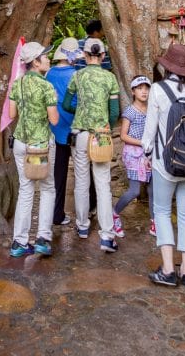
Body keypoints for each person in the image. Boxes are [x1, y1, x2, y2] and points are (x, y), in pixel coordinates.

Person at [141, 43, 185, 287]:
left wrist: (145, 153)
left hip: (165, 163)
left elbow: (149, 131)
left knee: (161, 211)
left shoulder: (158, 91)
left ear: (167, 67)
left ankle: (169, 270)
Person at [63, 38, 120, 252]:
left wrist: (79, 113)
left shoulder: (77, 76)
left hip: (80, 135)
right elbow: (114, 112)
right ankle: (107, 235)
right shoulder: (110, 78)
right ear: (103, 56)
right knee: (103, 184)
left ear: (85, 56)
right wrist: (106, 125)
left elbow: (68, 104)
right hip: (102, 135)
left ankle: (83, 226)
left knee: (81, 181)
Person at [8, 41, 59, 258]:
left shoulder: (17, 84)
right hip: (39, 147)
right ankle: (42, 239)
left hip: (20, 143)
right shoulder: (46, 86)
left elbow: (11, 115)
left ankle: (19, 242)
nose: (48, 59)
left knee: (25, 190)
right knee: (47, 188)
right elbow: (54, 120)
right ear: (35, 62)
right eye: (45, 57)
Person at [112, 75, 154, 239]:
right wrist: (142, 142)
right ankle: (115, 214)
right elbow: (123, 135)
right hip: (134, 154)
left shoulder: (152, 109)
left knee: (153, 190)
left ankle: (155, 222)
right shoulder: (130, 111)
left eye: (146, 88)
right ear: (133, 91)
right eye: (140, 88)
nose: (144, 91)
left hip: (150, 154)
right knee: (135, 191)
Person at [46, 37, 81, 227]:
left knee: (58, 174)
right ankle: (86, 214)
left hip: (56, 129)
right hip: (75, 128)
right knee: (83, 173)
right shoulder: (76, 75)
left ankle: (56, 213)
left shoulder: (49, 73)